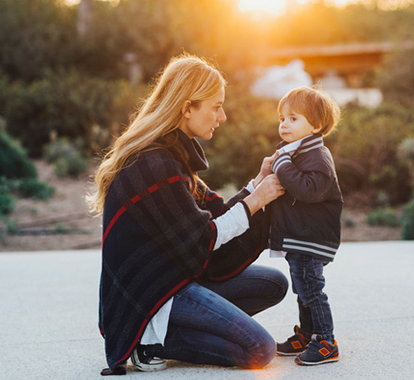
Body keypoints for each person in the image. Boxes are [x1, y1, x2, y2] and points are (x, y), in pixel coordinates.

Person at [86, 53, 288, 375]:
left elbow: (213, 212)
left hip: (175, 275)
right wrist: (253, 202)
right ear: (187, 108)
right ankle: (149, 341)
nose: (221, 117)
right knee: (260, 350)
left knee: (273, 282)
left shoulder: (171, 154)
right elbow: (204, 237)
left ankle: (185, 331)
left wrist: (256, 186)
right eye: (215, 106)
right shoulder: (154, 164)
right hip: (154, 294)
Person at [270, 87, 343, 365]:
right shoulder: (295, 154)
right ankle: (309, 333)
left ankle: (326, 340)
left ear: (315, 125)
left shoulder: (317, 157)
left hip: (312, 236)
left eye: (293, 118)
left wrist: (282, 165)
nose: (284, 124)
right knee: (302, 288)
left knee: (311, 288)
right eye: (282, 118)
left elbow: (309, 191)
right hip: (299, 236)